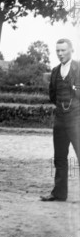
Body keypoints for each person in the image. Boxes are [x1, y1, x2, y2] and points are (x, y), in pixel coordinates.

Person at [40, 38, 80, 202]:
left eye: (63, 50)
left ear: (71, 50)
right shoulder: (55, 71)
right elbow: (52, 95)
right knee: (60, 158)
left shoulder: (78, 68)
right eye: (58, 50)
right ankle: (59, 193)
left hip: (77, 119)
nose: (60, 53)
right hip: (60, 120)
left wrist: (74, 89)